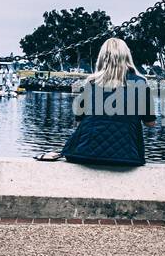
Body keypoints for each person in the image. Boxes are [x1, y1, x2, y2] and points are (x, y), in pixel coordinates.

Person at [36, 37, 156, 165]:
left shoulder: (92, 82)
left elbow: (78, 120)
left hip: (83, 153)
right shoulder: (140, 83)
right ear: (127, 57)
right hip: (128, 156)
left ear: (102, 57)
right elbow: (150, 123)